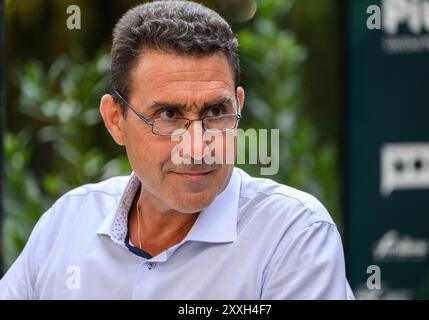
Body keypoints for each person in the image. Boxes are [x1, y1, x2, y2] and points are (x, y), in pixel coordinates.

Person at [0, 0, 354, 299]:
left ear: (239, 106)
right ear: (114, 120)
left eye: (216, 112)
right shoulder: (68, 222)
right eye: (168, 115)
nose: (197, 145)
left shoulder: (292, 235)